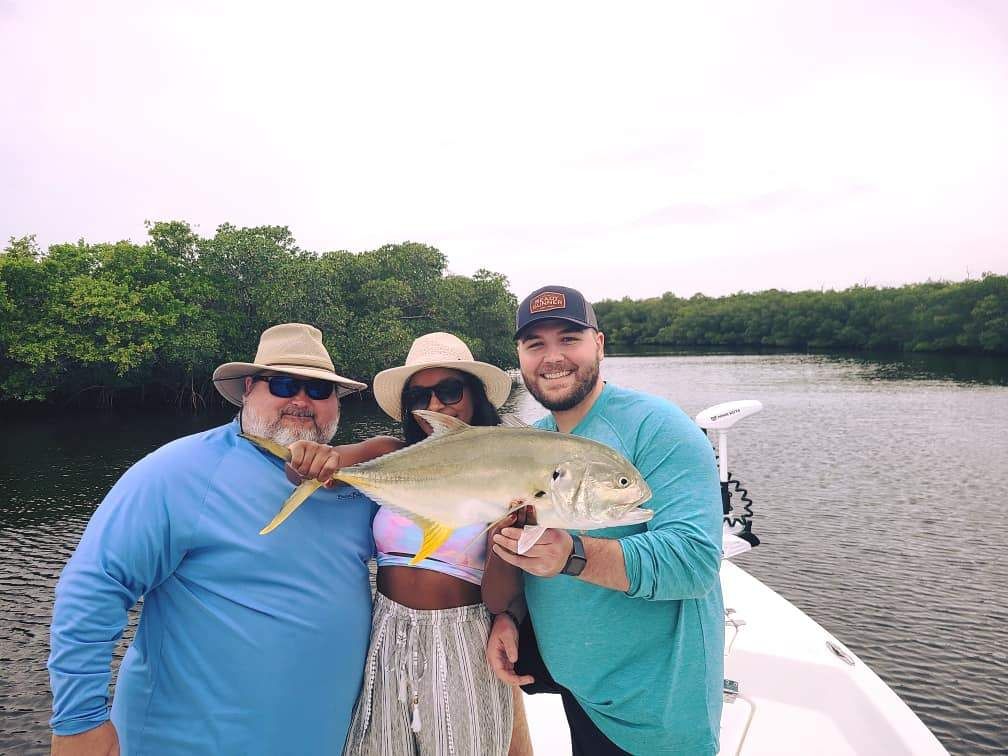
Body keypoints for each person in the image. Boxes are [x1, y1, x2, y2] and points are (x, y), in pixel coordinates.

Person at [47, 323, 377, 755]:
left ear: (335, 403)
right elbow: (94, 587)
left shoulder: (356, 486)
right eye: (282, 384)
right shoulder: (178, 471)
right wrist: (78, 722)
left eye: (318, 389)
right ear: (248, 390)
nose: (301, 400)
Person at [486, 286, 725, 755]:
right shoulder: (532, 441)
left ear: (599, 342)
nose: (552, 357)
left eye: (569, 339)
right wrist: (510, 617)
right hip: (584, 695)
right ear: (519, 357)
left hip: (656, 716)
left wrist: (572, 554)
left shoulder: (659, 427)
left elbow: (695, 561)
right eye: (536, 345)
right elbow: (525, 550)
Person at [290, 331, 531, 755]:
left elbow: (497, 598)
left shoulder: (506, 474)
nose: (434, 407)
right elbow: (315, 468)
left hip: (462, 637)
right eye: (420, 396)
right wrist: (311, 459)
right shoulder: (390, 452)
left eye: (449, 391)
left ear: (474, 395)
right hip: (384, 632)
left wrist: (506, 537)